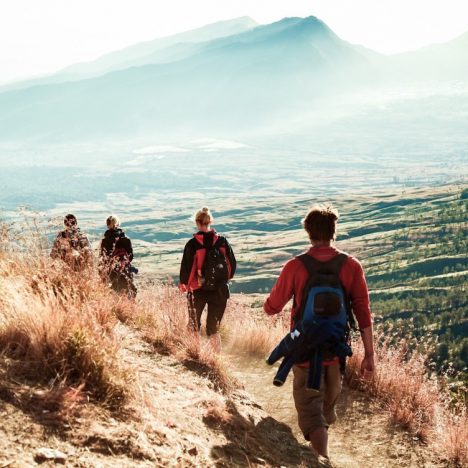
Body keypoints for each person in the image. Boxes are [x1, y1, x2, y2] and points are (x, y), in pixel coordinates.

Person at [263, 204, 374, 459]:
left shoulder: (295, 266)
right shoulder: (351, 266)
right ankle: (320, 447)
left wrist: (267, 307)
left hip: (304, 354)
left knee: (314, 418)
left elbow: (274, 306)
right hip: (336, 353)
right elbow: (363, 313)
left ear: (308, 233)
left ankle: (321, 460)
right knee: (323, 412)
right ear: (333, 231)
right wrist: (370, 354)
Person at [179, 207, 236, 350]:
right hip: (220, 290)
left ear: (197, 223)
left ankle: (194, 354)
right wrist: (222, 280)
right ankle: (216, 360)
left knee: (194, 324)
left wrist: (184, 285)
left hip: (197, 289)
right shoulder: (222, 241)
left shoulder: (192, 244)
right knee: (213, 328)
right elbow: (232, 265)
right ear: (210, 222)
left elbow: (185, 269)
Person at [99, 215, 137, 297]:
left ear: (107, 225)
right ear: (118, 224)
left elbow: (103, 257)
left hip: (111, 272)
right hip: (125, 269)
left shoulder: (105, 241)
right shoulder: (126, 239)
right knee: (129, 292)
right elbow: (130, 256)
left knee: (113, 293)